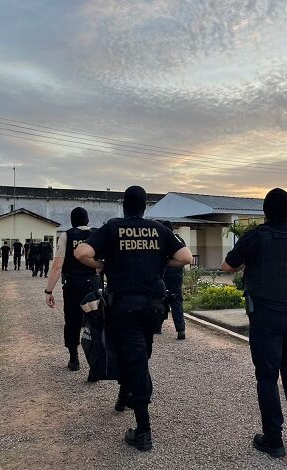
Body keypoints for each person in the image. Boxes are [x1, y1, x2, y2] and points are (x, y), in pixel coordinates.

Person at [75, 185, 192, 451]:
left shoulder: (113, 227)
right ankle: (123, 395)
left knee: (133, 358)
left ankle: (143, 431)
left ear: (124, 205)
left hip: (124, 307)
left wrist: (101, 265)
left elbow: (81, 253)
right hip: (153, 308)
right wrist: (159, 261)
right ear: (144, 207)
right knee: (139, 353)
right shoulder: (159, 229)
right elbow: (184, 257)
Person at [222, 188, 287, 458]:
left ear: (265, 211)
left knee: (267, 375)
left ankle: (273, 439)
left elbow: (228, 266)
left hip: (267, 314)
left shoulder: (255, 236)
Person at [45, 208, 99, 373]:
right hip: (92, 285)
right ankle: (95, 363)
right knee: (95, 322)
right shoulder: (96, 235)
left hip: (73, 285)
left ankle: (74, 358)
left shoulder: (66, 236)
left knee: (72, 322)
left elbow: (57, 266)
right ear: (87, 220)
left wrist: (49, 291)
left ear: (72, 221)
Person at [158, 220, 187, 340]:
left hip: (163, 273)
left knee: (160, 299)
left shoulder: (160, 239)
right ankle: (181, 330)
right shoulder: (179, 240)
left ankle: (157, 327)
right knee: (176, 301)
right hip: (176, 275)